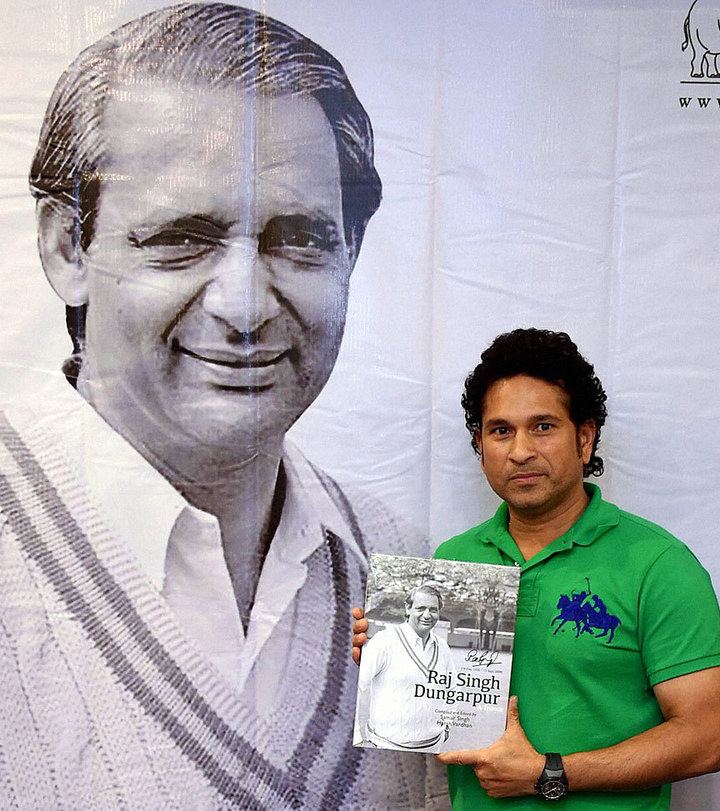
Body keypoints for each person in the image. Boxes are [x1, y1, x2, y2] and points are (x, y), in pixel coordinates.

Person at [0, 4, 432, 809]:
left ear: (352, 251)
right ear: (67, 247)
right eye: (181, 237)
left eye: (298, 236)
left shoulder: (405, 560)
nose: (244, 306)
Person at [353, 327, 720, 809]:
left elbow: (704, 738)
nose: (520, 450)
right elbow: (436, 713)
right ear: (480, 444)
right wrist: (391, 662)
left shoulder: (658, 564)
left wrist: (546, 774)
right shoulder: (452, 564)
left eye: (543, 426)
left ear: (585, 438)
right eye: (501, 430)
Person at [356, 585, 456, 751]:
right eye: (421, 608)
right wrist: (359, 739)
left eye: (433, 609)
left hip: (432, 747)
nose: (427, 615)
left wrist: (446, 727)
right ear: (408, 608)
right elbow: (356, 686)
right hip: (385, 746)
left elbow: (451, 689)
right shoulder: (384, 641)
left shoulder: (442, 646)